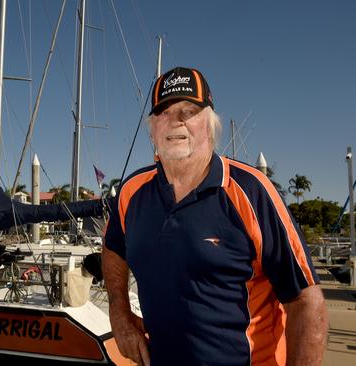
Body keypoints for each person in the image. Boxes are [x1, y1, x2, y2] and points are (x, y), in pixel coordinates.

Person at [102, 66, 327, 365]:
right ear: (152, 129)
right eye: (164, 113)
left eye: (188, 111)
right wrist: (119, 311)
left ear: (208, 125)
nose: (175, 121)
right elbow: (113, 247)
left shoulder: (250, 191)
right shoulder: (132, 192)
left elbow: (307, 303)